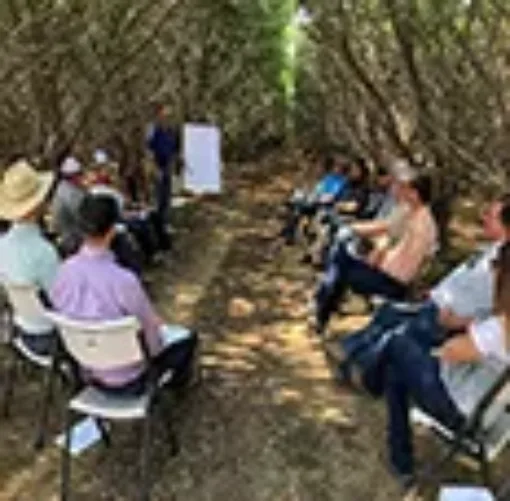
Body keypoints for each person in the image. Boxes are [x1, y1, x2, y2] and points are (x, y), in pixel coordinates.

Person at [333, 194, 510, 387]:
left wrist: (465, 321)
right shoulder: (492, 249)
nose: (483, 217)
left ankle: (360, 368)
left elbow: (498, 310)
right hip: (435, 303)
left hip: (449, 319)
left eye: (491, 215)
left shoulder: (503, 264)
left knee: (398, 333)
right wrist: (434, 291)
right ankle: (351, 352)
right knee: (389, 314)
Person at [375, 242, 510, 489]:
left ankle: (401, 459)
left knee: (397, 343)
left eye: (496, 267)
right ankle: (399, 458)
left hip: (464, 414)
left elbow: (451, 352)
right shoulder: (498, 327)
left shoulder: (500, 328)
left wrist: (462, 330)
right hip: (496, 421)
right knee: (400, 364)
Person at [50, 194, 197, 393]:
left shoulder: (64, 272)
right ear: (112, 230)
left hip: (85, 371)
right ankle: (173, 390)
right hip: (132, 377)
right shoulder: (124, 281)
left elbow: (60, 310)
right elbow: (151, 339)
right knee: (188, 339)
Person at [315, 173, 438, 335]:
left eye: (404, 189)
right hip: (382, 271)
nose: (399, 192)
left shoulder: (423, 224)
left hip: (392, 281)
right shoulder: (408, 211)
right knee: (340, 260)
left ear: (414, 193)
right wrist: (352, 228)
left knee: (340, 266)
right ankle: (323, 310)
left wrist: (380, 257)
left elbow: (409, 266)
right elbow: (384, 227)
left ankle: (322, 311)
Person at [0, 160, 60, 355]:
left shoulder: (2, 245)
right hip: (51, 335)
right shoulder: (43, 251)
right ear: (39, 204)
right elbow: (62, 300)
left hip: (23, 327)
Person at [146, 104, 179, 229]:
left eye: (169, 116)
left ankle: (165, 222)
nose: (167, 118)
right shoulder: (153, 129)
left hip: (168, 165)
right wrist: (154, 168)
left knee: (167, 195)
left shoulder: (171, 130)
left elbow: (174, 148)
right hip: (157, 165)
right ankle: (157, 224)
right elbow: (149, 149)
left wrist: (174, 162)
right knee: (158, 195)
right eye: (165, 115)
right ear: (159, 115)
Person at [50, 155, 86, 255]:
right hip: (72, 239)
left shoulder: (63, 188)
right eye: (80, 174)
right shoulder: (70, 194)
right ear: (73, 176)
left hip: (68, 235)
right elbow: (83, 216)